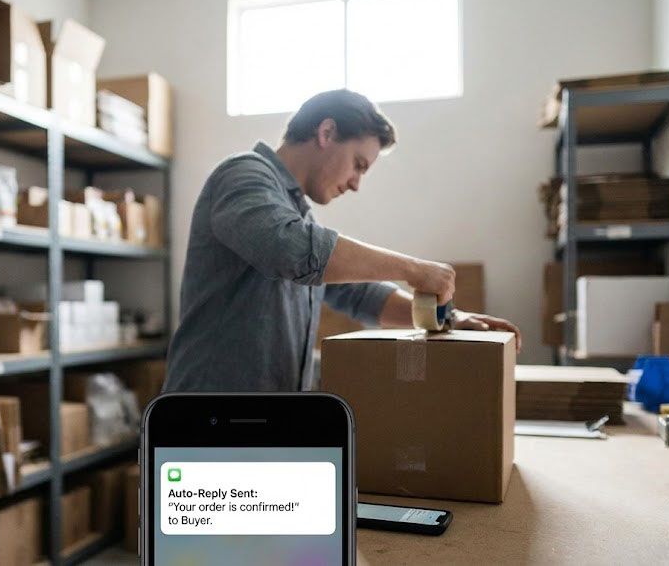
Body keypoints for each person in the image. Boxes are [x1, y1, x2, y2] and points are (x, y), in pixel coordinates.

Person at [164, 89, 521, 392]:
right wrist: (414, 269)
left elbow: (358, 293)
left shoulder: (295, 214)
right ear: (327, 132)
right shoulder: (243, 175)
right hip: (205, 422)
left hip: (262, 426)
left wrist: (447, 319)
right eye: (359, 165)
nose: (355, 183)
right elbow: (293, 249)